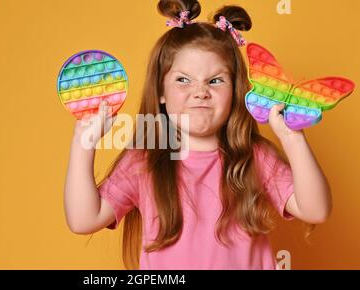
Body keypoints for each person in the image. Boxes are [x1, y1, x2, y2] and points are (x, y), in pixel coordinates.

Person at [64, 0, 332, 270]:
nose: (200, 91)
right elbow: (84, 220)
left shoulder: (254, 156)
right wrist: (83, 143)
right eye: (183, 80)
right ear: (160, 91)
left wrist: (292, 138)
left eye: (215, 80)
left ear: (236, 91)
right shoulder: (145, 161)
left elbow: (315, 210)